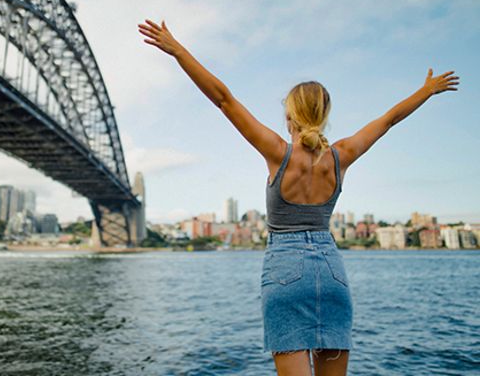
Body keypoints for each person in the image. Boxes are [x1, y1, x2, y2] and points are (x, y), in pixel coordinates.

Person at [138, 19, 459, 376]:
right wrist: (427, 90)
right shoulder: (341, 155)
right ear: (324, 116)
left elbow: (224, 100)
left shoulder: (278, 153)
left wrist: (178, 50)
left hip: (285, 273)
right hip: (331, 271)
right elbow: (388, 121)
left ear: (290, 115)